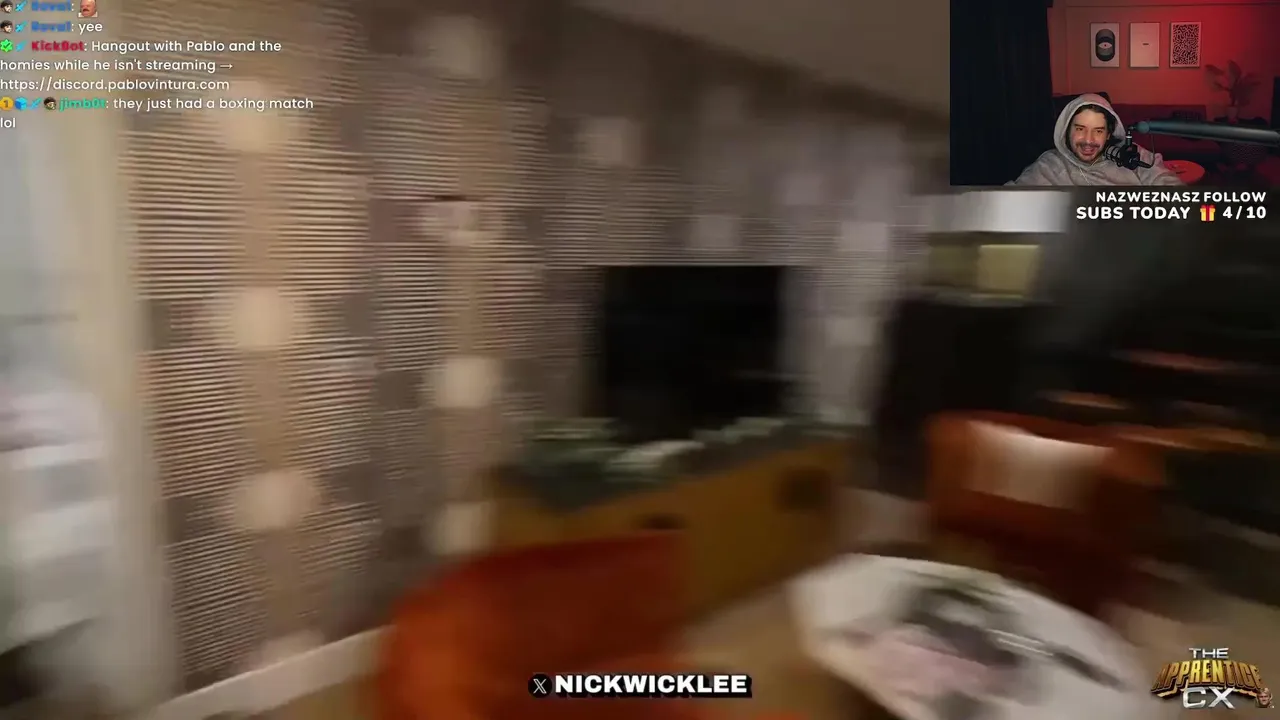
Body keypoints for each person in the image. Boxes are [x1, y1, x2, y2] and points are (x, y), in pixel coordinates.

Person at [1009, 93, 1182, 186]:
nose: (1088, 140)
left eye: (1098, 131)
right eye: (1080, 129)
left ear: (1109, 134)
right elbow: (1009, 201)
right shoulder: (1049, 166)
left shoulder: (1132, 155)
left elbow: (1167, 184)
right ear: (1067, 130)